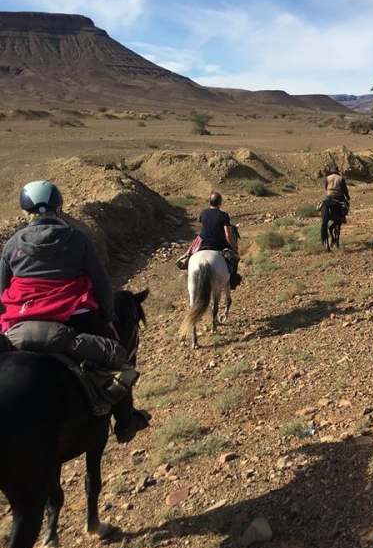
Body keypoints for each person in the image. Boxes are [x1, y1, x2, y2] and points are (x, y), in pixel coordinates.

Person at [0, 180, 149, 443]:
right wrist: (107, 318)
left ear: (25, 213)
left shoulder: (11, 246)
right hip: (74, 316)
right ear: (59, 209)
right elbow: (102, 285)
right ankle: (125, 423)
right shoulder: (77, 239)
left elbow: (1, 291)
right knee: (117, 355)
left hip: (18, 322)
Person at [177, 191, 242, 288]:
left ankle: (187, 266)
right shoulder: (224, 215)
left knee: (191, 254)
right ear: (220, 203)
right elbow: (228, 235)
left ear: (210, 202)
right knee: (234, 259)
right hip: (218, 243)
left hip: (203, 243)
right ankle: (232, 281)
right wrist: (234, 248)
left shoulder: (203, 213)